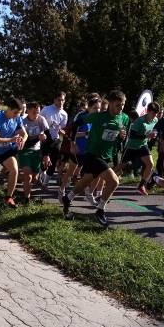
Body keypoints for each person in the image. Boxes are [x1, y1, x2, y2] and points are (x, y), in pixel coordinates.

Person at [62, 90, 129, 227]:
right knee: (114, 181)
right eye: (118, 105)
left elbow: (120, 136)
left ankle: (67, 198)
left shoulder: (124, 118)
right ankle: (100, 210)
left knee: (86, 181)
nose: (121, 108)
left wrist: (121, 137)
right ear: (110, 104)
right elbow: (75, 124)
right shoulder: (97, 117)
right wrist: (72, 142)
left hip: (106, 155)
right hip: (92, 154)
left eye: (123, 105)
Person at [122, 102, 161, 195]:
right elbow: (132, 135)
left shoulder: (155, 120)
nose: (155, 116)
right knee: (120, 167)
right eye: (153, 113)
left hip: (142, 145)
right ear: (148, 111)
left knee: (150, 164)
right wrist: (147, 135)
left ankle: (141, 185)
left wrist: (152, 135)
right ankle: (106, 180)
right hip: (131, 146)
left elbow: (150, 131)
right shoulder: (139, 121)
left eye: (156, 114)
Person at [18, 102, 50, 203]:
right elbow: (25, 143)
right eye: (34, 112)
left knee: (34, 178)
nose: (36, 115)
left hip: (37, 151)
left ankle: (15, 176)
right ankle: (26, 199)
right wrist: (38, 138)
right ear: (28, 111)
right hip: (24, 151)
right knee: (28, 176)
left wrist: (46, 155)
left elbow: (48, 138)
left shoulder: (41, 119)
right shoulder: (23, 122)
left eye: (38, 112)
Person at [40, 92, 68, 185]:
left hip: (56, 140)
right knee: (44, 161)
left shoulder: (64, 114)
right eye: (59, 100)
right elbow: (39, 121)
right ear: (54, 100)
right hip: (45, 138)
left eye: (62, 100)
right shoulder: (46, 109)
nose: (61, 102)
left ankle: (45, 183)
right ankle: (41, 174)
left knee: (54, 161)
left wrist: (61, 131)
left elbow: (62, 128)